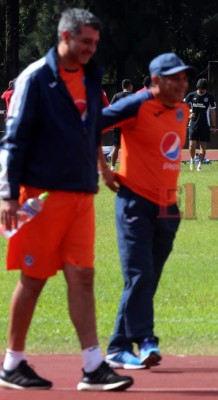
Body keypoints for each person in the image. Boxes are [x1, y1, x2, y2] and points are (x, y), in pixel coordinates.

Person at [0, 8, 133, 391]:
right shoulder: (36, 78)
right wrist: (8, 196)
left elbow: (90, 128)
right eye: (85, 42)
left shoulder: (91, 77)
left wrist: (103, 169)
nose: (92, 49)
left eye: (95, 43)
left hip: (80, 194)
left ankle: (93, 366)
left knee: (83, 277)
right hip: (39, 194)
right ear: (64, 37)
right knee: (33, 278)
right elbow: (15, 138)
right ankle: (13, 363)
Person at [99, 52, 194, 370]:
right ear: (156, 81)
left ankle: (118, 345)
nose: (182, 84)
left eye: (184, 78)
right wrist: (103, 168)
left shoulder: (183, 111)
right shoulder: (136, 105)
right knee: (138, 274)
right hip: (135, 203)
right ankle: (146, 340)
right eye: (174, 78)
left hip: (168, 206)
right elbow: (90, 126)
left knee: (146, 279)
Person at [184, 78, 216, 171]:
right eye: (199, 88)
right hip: (193, 123)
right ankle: (192, 159)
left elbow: (213, 111)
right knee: (192, 144)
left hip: (205, 124)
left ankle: (200, 165)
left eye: (203, 89)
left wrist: (213, 125)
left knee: (203, 146)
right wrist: (189, 114)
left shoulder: (210, 97)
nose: (201, 90)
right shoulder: (191, 95)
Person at [108, 79, 134, 171]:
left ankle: (112, 167)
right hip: (130, 125)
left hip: (118, 124)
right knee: (131, 147)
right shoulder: (134, 96)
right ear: (130, 86)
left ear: (123, 87)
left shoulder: (117, 96)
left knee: (116, 146)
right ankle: (130, 166)